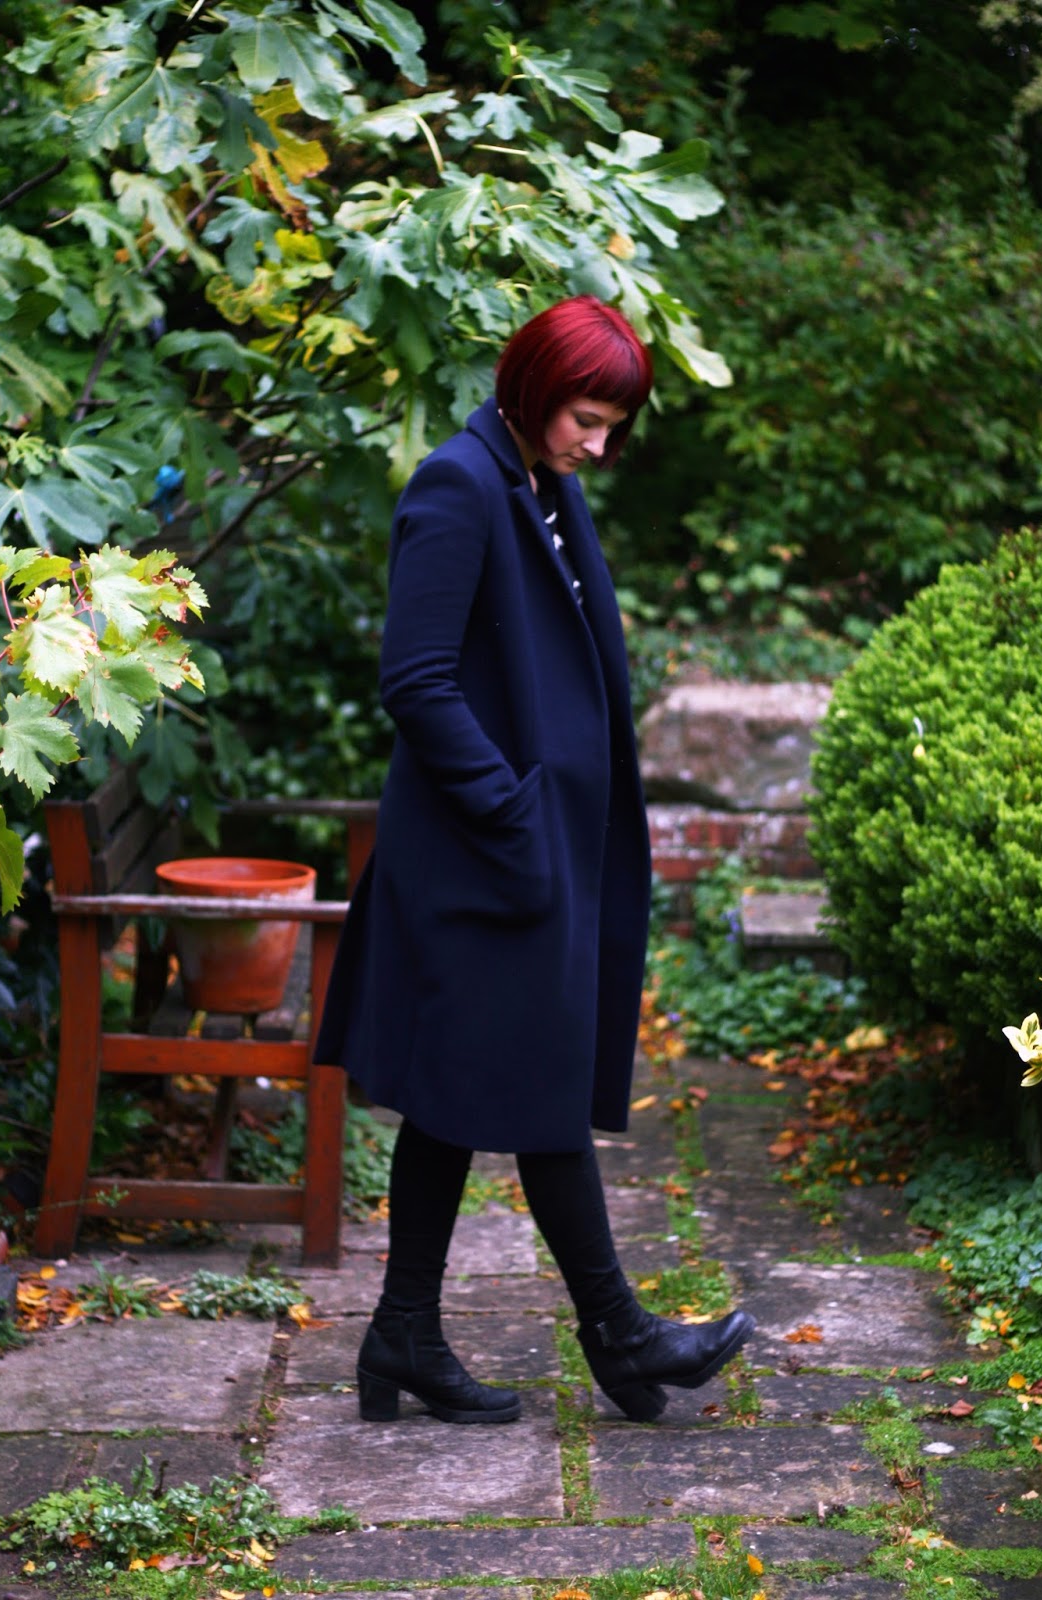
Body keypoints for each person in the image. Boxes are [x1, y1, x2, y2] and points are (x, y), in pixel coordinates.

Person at [315, 295, 755, 1425]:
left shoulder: (536, 480)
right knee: (535, 1079)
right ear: (532, 388)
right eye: (586, 420)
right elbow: (416, 679)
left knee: (462, 1089)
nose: (598, 447)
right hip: (476, 856)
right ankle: (618, 1332)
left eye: (613, 428)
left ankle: (406, 1330)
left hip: (519, 849)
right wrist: (510, 812)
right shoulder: (459, 485)